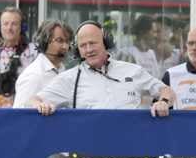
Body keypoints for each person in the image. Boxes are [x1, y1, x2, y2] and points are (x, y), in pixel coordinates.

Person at [31, 21, 177, 116]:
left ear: (105, 42)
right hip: (89, 151)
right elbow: (34, 100)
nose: (88, 50)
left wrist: (163, 102)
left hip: (130, 149)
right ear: (77, 50)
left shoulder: (133, 71)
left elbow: (166, 91)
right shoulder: (70, 79)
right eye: (83, 46)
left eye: (92, 43)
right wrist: (42, 105)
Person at [0, 7, 37, 107]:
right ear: (0, 28)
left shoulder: (34, 52)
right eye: (5, 24)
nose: (9, 28)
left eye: (14, 24)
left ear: (22, 27)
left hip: (23, 111)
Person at [13, 20, 73, 108]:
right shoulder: (33, 75)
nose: (65, 46)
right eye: (59, 40)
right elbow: (20, 112)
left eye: (67, 41)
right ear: (45, 41)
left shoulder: (61, 69)